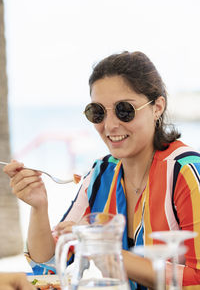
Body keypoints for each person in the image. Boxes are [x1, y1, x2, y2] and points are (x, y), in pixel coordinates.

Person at [3, 51, 200, 290]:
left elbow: (197, 279)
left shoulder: (185, 172)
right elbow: (50, 266)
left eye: (124, 109)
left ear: (157, 107)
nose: (109, 125)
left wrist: (103, 248)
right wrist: (38, 207)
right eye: (97, 112)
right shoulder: (101, 174)